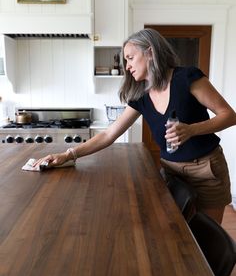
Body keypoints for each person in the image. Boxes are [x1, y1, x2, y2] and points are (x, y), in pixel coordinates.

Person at [34, 28, 236, 224]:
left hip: (206, 170)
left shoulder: (187, 78)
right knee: (177, 236)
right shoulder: (141, 96)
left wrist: (191, 130)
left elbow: (229, 115)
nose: (127, 66)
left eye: (130, 58)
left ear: (150, 52)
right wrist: (68, 155)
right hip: (171, 171)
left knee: (208, 241)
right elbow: (108, 135)